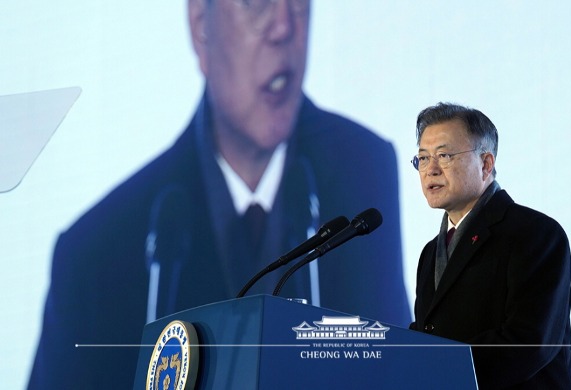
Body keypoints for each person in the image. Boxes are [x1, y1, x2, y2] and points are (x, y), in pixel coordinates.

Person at [28, 0, 410, 388]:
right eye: (257, 3)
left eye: (298, 4)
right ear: (200, 26)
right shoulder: (96, 251)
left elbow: (399, 368)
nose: (284, 27)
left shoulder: (363, 168)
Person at [408, 103, 571, 389]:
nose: (430, 170)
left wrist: (441, 368)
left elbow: (529, 343)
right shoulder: (430, 252)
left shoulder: (535, 233)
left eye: (444, 155)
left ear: (486, 164)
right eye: (423, 158)